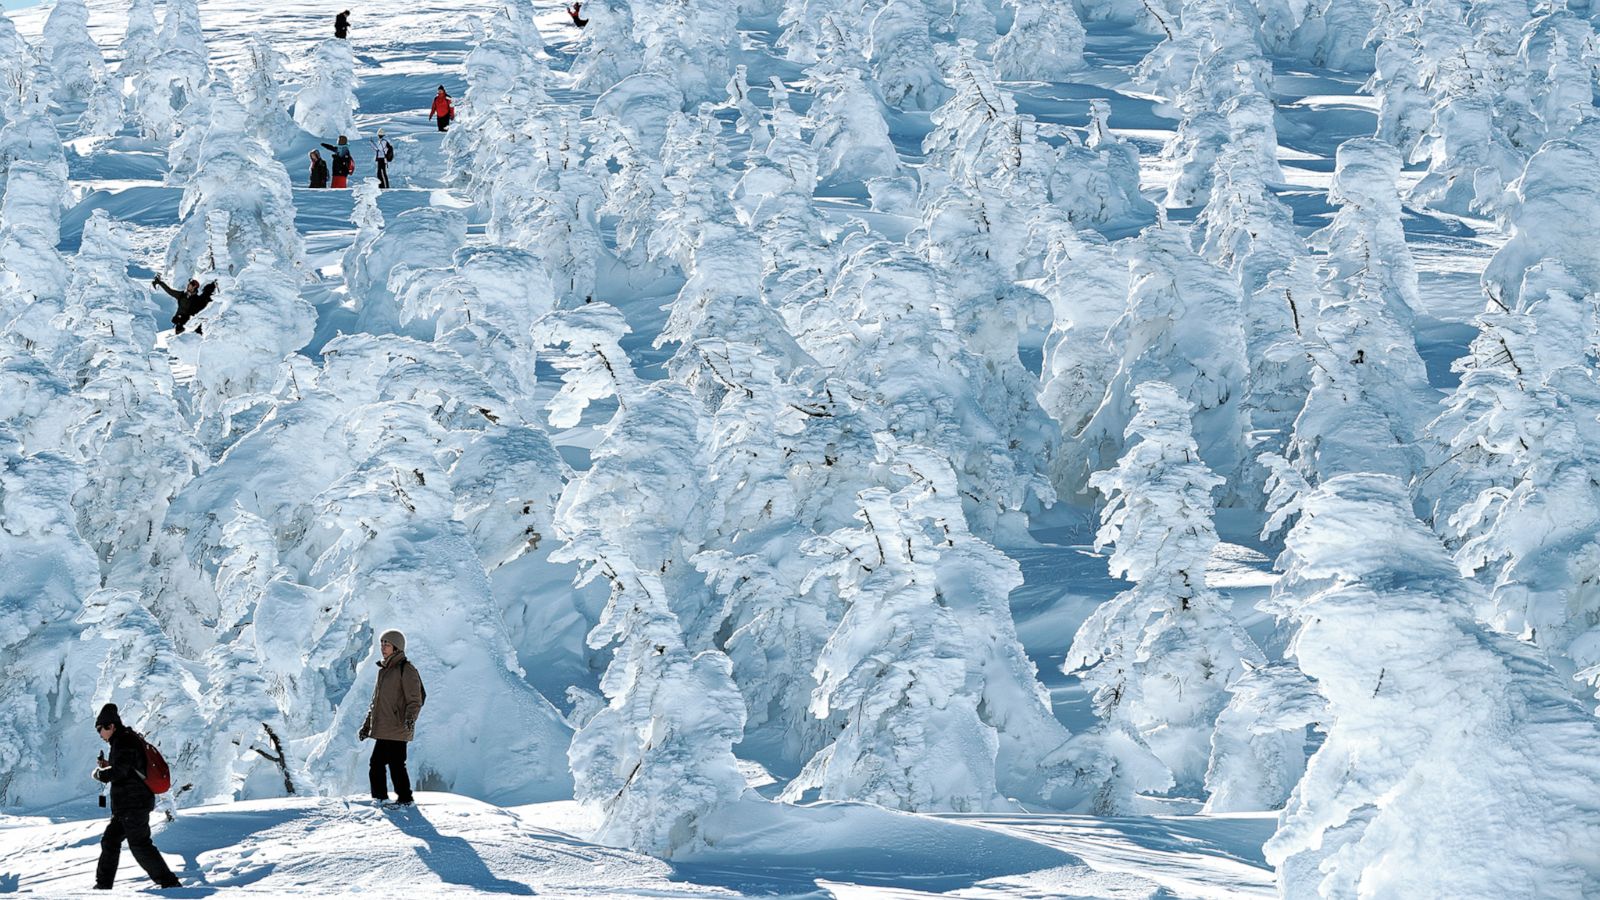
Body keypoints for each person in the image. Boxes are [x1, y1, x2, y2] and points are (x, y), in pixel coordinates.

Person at [92, 704, 181, 890]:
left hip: (133, 804)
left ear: (111, 726)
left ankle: (170, 883)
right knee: (110, 841)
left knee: (140, 844)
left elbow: (120, 772)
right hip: (128, 804)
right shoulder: (124, 740)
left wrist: (101, 774)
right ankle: (102, 886)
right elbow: (129, 767)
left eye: (100, 729)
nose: (100, 733)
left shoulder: (123, 741)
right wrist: (109, 765)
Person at [359, 630, 425, 807]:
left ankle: (405, 799)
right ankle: (380, 798)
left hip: (397, 726)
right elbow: (376, 703)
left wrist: (410, 719)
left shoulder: (406, 668)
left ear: (397, 647)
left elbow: (415, 699)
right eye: (381, 643)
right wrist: (367, 725)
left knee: (396, 765)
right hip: (383, 727)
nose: (383, 647)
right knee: (376, 764)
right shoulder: (384, 670)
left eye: (386, 644)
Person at [152, 275, 217, 335]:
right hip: (179, 322)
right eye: (189, 284)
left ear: (194, 287)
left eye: (190, 285)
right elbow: (170, 291)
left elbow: (206, 299)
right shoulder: (182, 295)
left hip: (190, 323)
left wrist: (212, 286)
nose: (188, 285)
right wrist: (160, 282)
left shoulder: (197, 299)